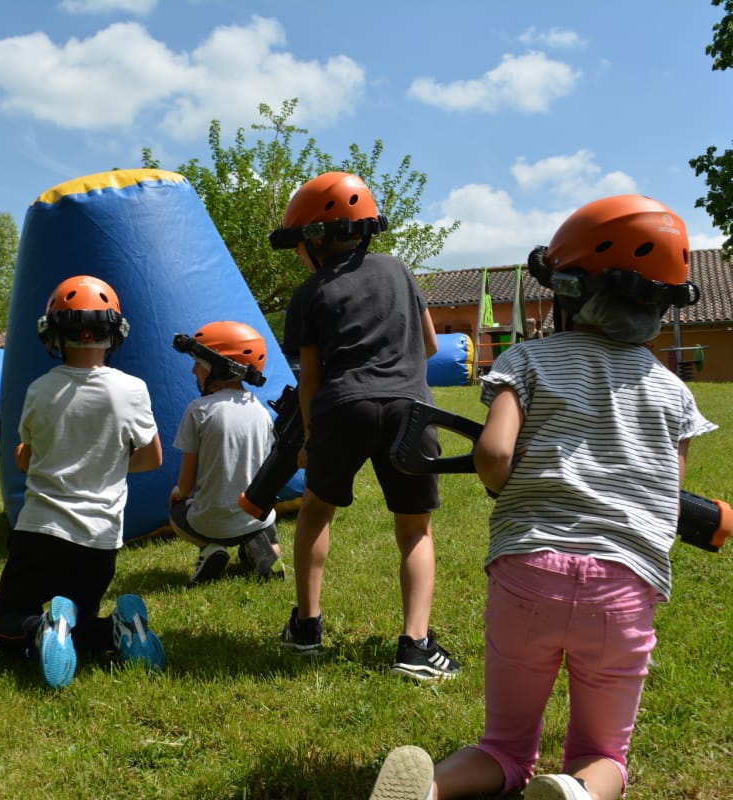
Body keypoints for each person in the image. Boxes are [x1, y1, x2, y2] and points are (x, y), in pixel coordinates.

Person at [369, 195, 717, 800]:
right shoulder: (673, 393)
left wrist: (504, 484)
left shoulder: (526, 359)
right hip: (623, 584)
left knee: (502, 746)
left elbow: (496, 455)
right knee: (605, 755)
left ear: (570, 288)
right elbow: (666, 497)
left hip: (529, 571)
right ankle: (577, 790)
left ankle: (428, 792)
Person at [270, 171, 460, 680]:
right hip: (409, 408)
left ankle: (307, 627)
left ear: (315, 239)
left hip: (342, 407)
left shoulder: (310, 293)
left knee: (316, 511)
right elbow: (432, 346)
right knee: (415, 529)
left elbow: (310, 380)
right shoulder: (399, 270)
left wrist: (309, 440)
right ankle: (415, 644)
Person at [0, 275, 165, 689]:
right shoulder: (132, 390)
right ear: (115, 333)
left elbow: (27, 458)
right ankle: (117, 630)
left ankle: (42, 628)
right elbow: (152, 458)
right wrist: (109, 467)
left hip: (40, 531)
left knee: (6, 624)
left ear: (54, 334)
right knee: (79, 624)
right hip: (99, 540)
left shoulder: (39, 390)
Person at [169, 320, 285, 585]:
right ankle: (267, 549)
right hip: (257, 519)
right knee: (261, 522)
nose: (193, 370)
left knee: (177, 512)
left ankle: (211, 549)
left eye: (198, 363)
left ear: (217, 367)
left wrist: (178, 494)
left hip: (211, 524)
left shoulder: (198, 411)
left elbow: (185, 486)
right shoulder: (262, 413)